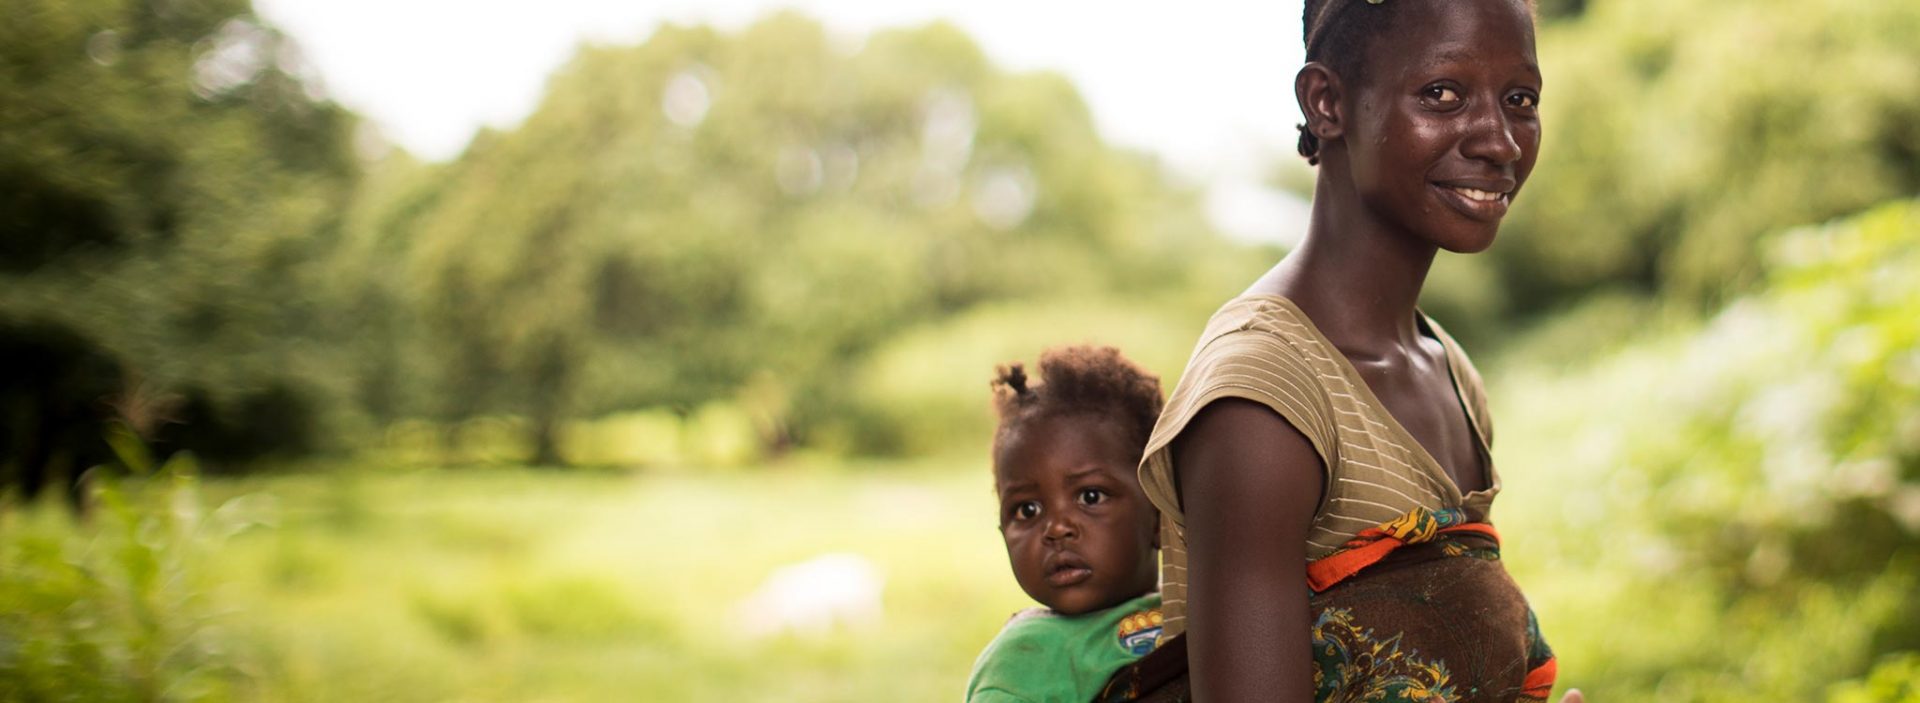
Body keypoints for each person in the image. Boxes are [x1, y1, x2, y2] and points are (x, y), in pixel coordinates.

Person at [1126, 1, 1583, 701]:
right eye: (1443, 94)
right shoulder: (1263, 396)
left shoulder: (1444, 366)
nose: (1500, 141)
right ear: (1328, 102)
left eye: (1519, 99)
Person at [964, 346, 1169, 703]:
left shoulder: (1196, 604)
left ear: (1160, 513)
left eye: (1090, 497)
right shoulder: (1023, 662)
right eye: (1027, 510)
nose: (1056, 528)